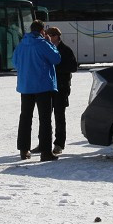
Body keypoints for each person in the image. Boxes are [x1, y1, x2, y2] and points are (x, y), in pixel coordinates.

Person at [12, 20, 61, 161]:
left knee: (25, 118)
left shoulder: (21, 45)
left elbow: (14, 62)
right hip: (43, 86)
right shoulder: (43, 43)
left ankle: (23, 149)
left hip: (25, 87)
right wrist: (51, 44)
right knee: (45, 119)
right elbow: (56, 59)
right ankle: (46, 152)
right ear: (41, 31)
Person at [32, 27, 77, 156]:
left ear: (57, 36)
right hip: (47, 86)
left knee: (59, 116)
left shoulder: (66, 49)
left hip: (61, 87)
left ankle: (59, 144)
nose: (47, 37)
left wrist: (56, 67)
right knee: (44, 117)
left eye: (50, 35)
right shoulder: (46, 47)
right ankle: (43, 144)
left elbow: (73, 67)